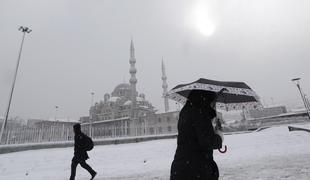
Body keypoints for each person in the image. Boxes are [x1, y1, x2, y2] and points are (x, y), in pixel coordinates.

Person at [170, 90, 223, 180]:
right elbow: (208, 142)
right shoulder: (200, 113)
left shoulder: (186, 111)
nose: (214, 104)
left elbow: (195, 136)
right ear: (206, 99)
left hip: (181, 167)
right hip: (196, 170)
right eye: (213, 101)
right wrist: (219, 135)